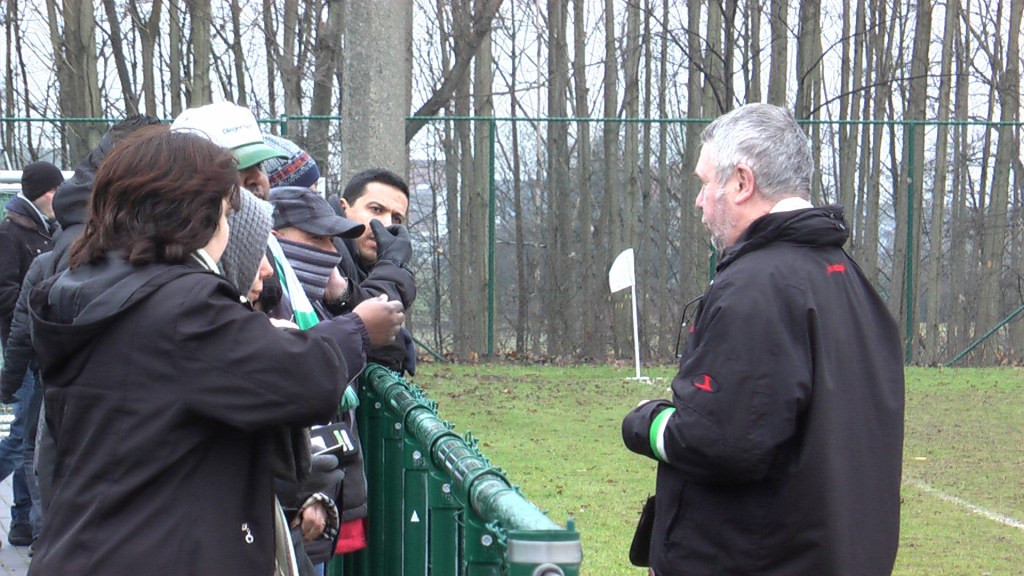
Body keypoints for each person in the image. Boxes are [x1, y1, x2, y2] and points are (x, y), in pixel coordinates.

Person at [26, 126, 401, 574]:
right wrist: (359, 329)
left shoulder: (94, 285)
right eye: (224, 214)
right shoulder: (182, 306)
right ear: (192, 214)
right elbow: (297, 377)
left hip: (94, 545)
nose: (227, 228)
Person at [621, 103, 905, 576]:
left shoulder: (757, 287)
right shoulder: (849, 280)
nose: (699, 200)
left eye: (705, 182)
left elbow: (720, 440)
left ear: (741, 183)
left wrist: (646, 423)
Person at [0, 160, 63, 548]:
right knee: (25, 437)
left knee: (28, 436)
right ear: (46, 192)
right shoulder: (11, 234)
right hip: (22, 343)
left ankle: (23, 518)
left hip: (34, 343)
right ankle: (28, 519)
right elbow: (4, 291)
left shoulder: (45, 230)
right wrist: (36, 295)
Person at [329, 168, 417, 376]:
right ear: (344, 208)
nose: (386, 225)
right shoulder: (328, 247)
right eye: (376, 210)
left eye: (396, 219)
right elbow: (373, 321)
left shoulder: (363, 262)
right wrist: (393, 265)